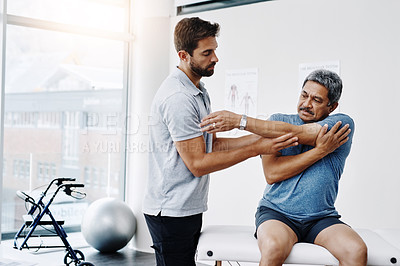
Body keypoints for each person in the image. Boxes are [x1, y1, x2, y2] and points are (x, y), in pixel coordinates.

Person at [142, 17, 300, 266]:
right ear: (184, 55)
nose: (215, 58)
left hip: (188, 207)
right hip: (170, 211)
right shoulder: (178, 98)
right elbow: (198, 163)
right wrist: (257, 147)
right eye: (207, 52)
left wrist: (259, 136)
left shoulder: (199, 90)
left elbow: (211, 145)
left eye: (214, 50)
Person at [200, 69, 367, 265]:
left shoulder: (341, 125)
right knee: (273, 248)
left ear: (332, 106)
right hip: (277, 214)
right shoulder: (278, 121)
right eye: (304, 95)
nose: (306, 104)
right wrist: (320, 151)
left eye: (317, 100)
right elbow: (272, 174)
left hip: (321, 217)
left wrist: (240, 121)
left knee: (356, 250)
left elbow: (301, 133)